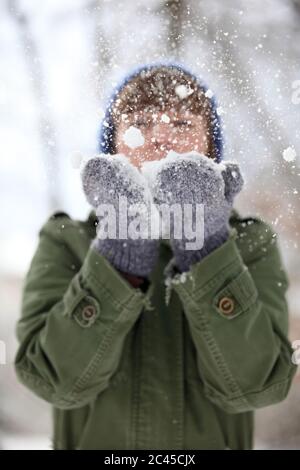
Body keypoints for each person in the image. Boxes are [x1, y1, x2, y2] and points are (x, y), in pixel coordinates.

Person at [14, 63, 297, 450]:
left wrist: (209, 251)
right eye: (140, 122)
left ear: (210, 150)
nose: (161, 137)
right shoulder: (66, 241)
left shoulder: (249, 243)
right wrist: (116, 264)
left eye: (182, 124)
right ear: (113, 147)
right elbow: (52, 381)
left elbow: (257, 388)